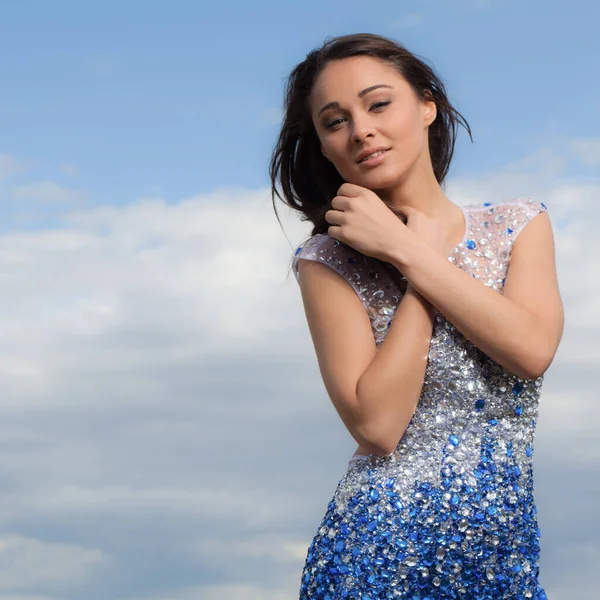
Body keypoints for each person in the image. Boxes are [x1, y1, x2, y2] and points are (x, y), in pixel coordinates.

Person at [269, 32, 564, 600]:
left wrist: (410, 252)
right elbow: (378, 428)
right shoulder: (326, 261)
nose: (361, 130)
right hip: (376, 555)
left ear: (427, 104)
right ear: (326, 148)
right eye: (335, 122)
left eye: (378, 104)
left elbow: (530, 352)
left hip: (502, 561)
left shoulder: (520, 223)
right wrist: (413, 267)